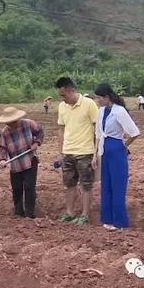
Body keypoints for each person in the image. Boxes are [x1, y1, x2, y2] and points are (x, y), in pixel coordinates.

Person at [93, 83, 140, 231]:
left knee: (117, 186)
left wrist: (124, 146)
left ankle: (120, 222)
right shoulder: (101, 111)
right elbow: (98, 135)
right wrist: (95, 155)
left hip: (116, 149)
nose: (98, 100)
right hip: (104, 150)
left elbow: (134, 132)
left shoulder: (119, 111)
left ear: (107, 97)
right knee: (106, 185)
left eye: (99, 98)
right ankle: (107, 219)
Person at [55, 77, 99, 226]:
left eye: (63, 95)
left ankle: (85, 214)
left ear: (71, 90)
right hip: (68, 152)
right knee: (69, 184)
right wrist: (60, 152)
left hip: (85, 152)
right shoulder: (62, 107)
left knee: (86, 184)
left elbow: (97, 129)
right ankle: (69, 212)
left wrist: (95, 153)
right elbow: (61, 129)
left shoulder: (89, 104)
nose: (62, 98)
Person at [0, 106, 44, 219]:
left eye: (13, 121)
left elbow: (40, 132)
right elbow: (2, 147)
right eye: (9, 122)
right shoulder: (4, 132)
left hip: (30, 160)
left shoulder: (29, 124)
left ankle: (29, 214)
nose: (12, 124)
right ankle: (18, 213)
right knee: (17, 188)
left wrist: (36, 143)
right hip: (16, 164)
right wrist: (3, 159)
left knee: (29, 187)